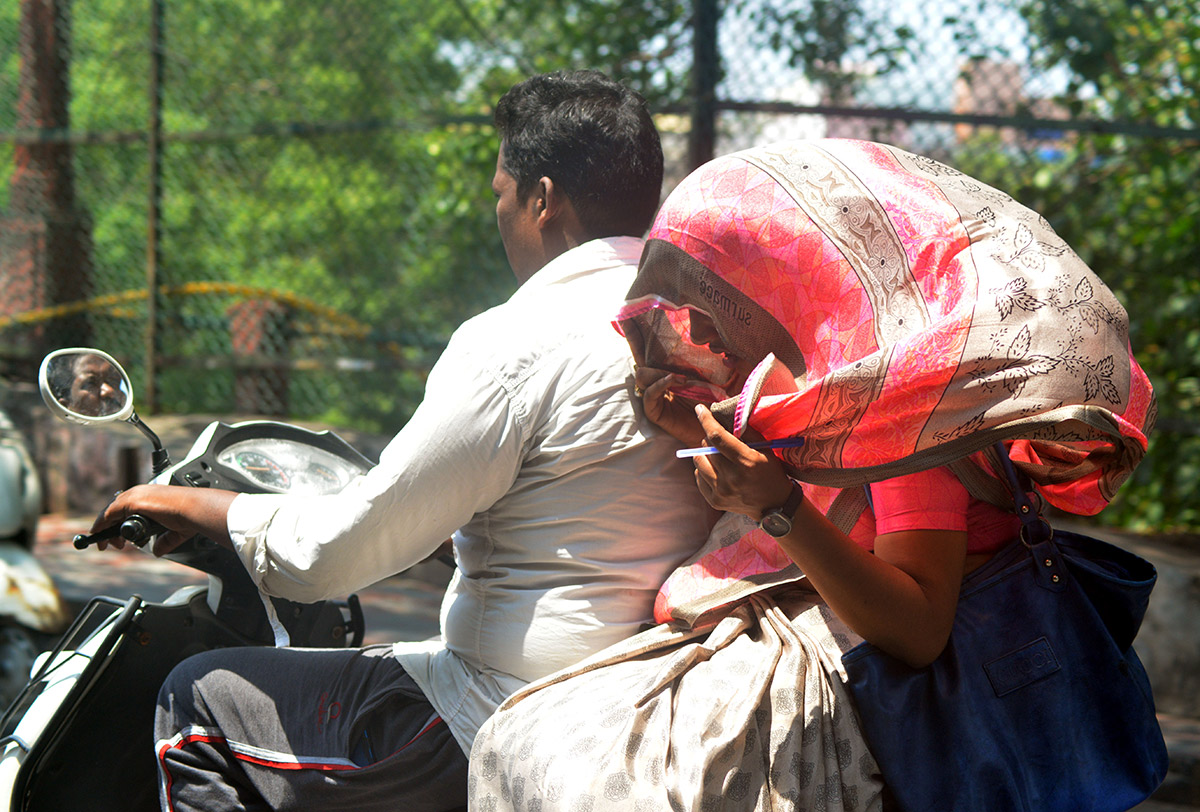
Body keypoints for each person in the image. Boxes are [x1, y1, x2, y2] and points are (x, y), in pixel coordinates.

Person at [91, 70, 715, 812]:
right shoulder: (695, 331)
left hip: (496, 713)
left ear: (542, 199)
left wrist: (200, 506)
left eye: (500, 193)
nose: (501, 212)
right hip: (645, 710)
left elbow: (336, 553)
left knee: (197, 700)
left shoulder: (515, 341)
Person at [468, 139, 1156, 811]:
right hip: (835, 642)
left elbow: (918, 629)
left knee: (545, 753)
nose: (700, 338)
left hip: (905, 695)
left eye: (715, 302)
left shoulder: (908, 424)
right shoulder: (855, 385)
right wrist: (705, 435)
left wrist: (780, 510)